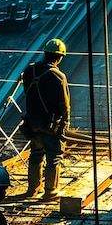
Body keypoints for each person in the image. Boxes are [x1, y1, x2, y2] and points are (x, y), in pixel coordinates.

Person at [21, 38, 70, 200]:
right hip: (51, 125)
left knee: (36, 154)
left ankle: (32, 190)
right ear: (59, 57)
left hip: (32, 122)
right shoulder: (58, 76)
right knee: (54, 156)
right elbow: (64, 105)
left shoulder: (29, 71)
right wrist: (65, 124)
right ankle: (50, 192)